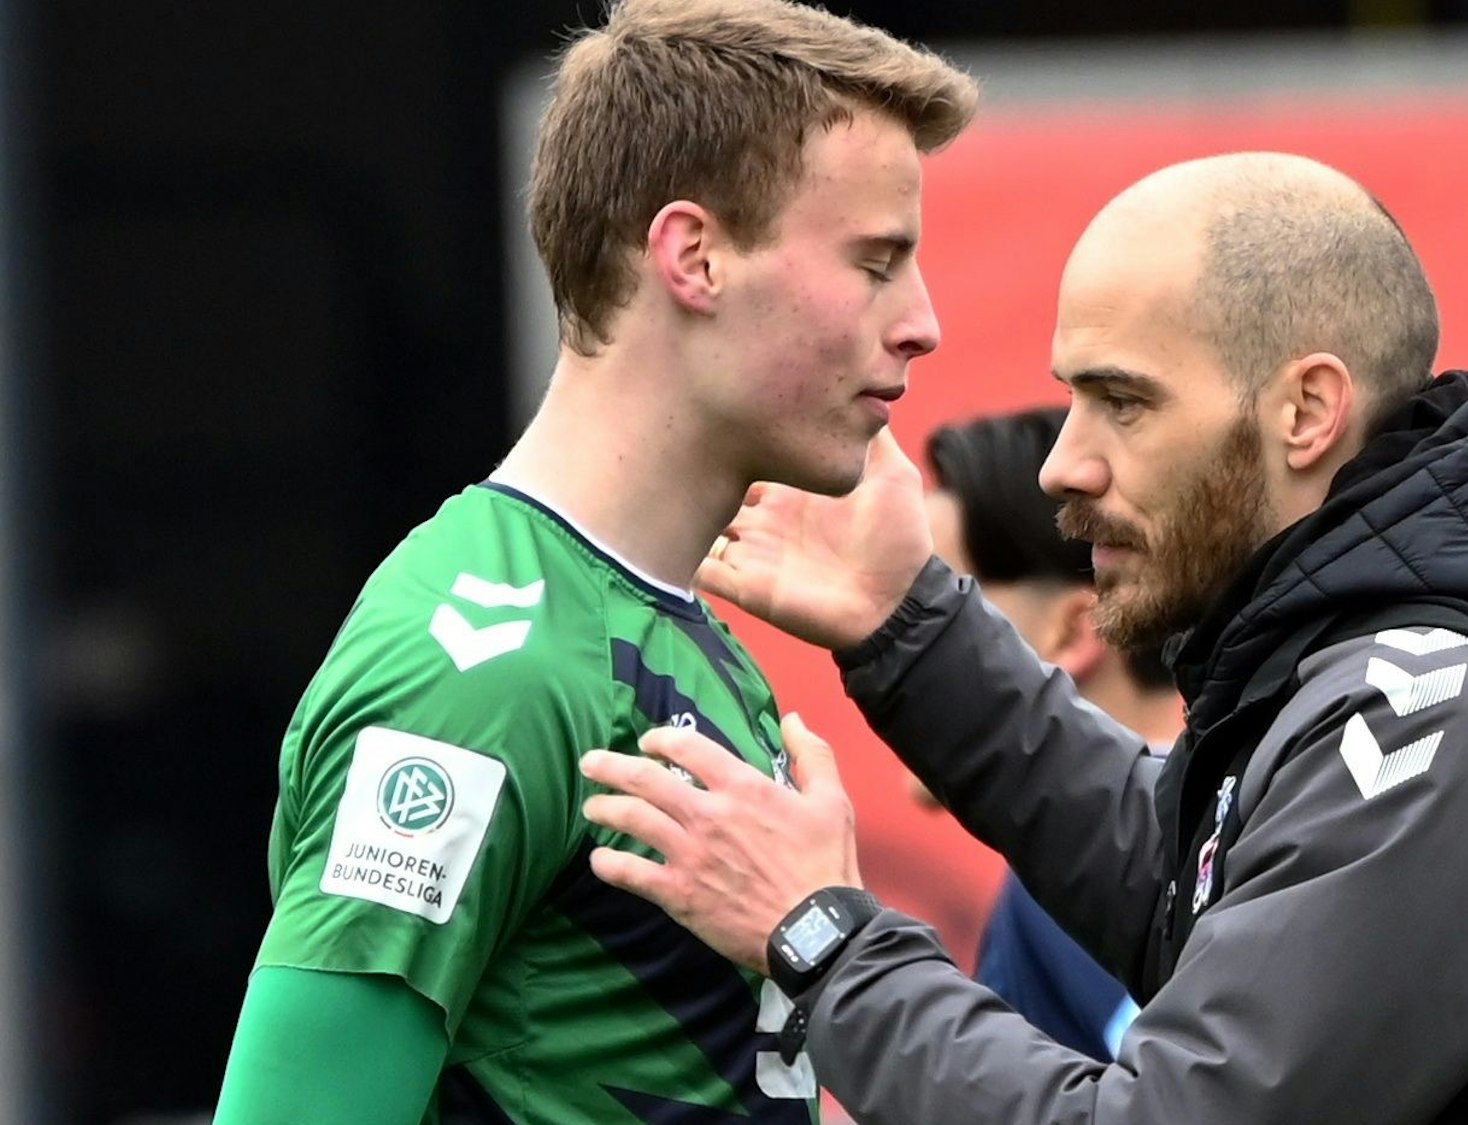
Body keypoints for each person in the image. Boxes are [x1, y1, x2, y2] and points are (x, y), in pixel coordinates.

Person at [580, 151, 1468, 1123]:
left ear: (1304, 412)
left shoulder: (1435, 713)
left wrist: (824, 940)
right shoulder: (1372, 654)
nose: (1062, 463)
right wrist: (905, 627)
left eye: (1122, 402)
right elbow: (1182, 887)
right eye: (1072, 397)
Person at [210, 0, 975, 1119]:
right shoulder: (477, 673)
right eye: (874, 262)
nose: (921, 323)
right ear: (693, 256)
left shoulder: (667, 618)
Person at [923, 406, 1182, 1061]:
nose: (890, 622)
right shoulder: (1255, 803)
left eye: (934, 595)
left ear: (1070, 630)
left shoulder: (1077, 875)